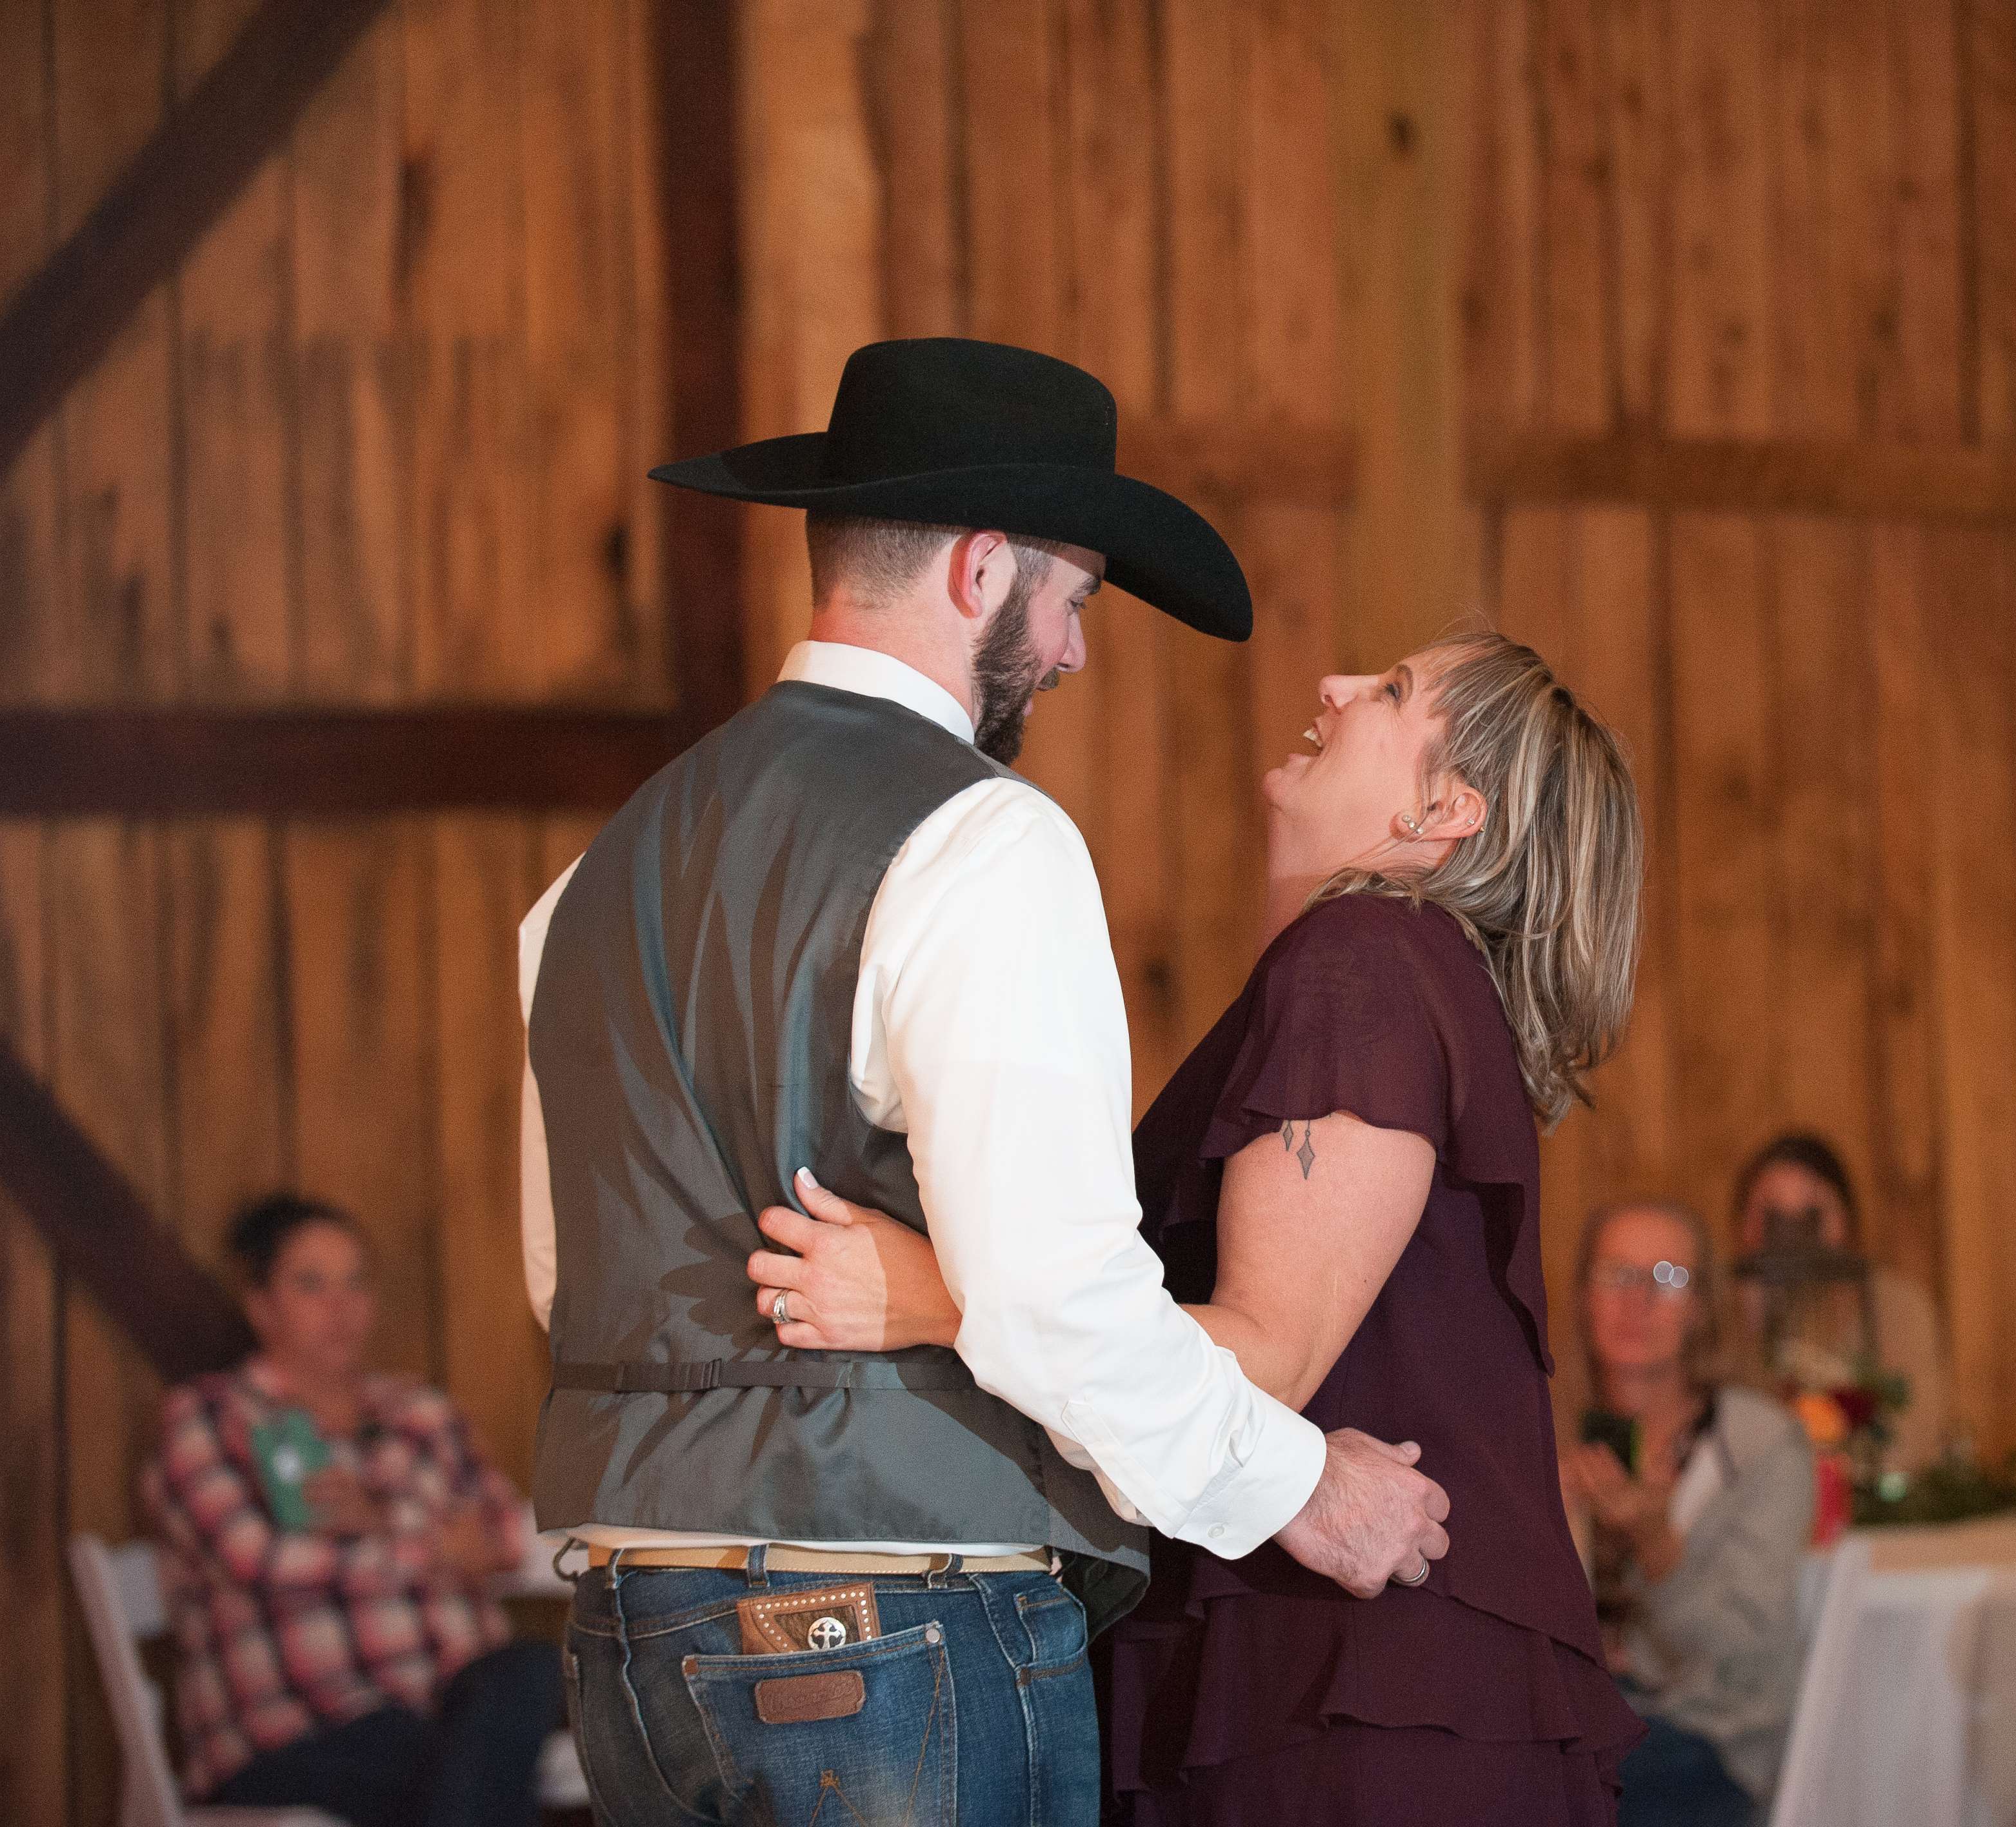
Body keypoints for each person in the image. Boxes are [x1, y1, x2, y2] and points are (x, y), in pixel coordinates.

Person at [521, 339, 1451, 1827]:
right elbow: (1052, 1298)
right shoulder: (981, 839)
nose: (1076, 651)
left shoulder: (594, 872)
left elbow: (571, 1270)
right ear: (977, 571)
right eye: (1074, 595)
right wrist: (1300, 1489)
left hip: (630, 1630)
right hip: (890, 1626)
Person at [759, 630, 1651, 1821]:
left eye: (1389, 692)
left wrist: (931, 1292)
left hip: (1354, 1705)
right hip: (1337, 1682)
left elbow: (1264, 1358)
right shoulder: (1380, 973)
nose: (1331, 685)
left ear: (1446, 809)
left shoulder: (1365, 968)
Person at [144, 1195, 560, 1827]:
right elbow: (258, 1559)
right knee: (468, 1757)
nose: (342, 1308)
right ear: (261, 1305)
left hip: (457, 1708)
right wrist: (430, 1544)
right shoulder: (210, 1418)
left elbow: (507, 1537)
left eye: (355, 1281)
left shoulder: (421, 1414)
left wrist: (380, 1523)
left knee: (528, 1670)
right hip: (299, 1730)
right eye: (311, 1284)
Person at [1563, 1199, 1814, 1827]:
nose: (1638, 1301)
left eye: (1668, 1279)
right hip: (1575, 1719)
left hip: (1708, 1739)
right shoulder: (1546, 1432)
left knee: (1557, 1792)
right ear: (1580, 1297)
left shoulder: (1761, 1445)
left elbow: (1744, 1655)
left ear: (1701, 1307)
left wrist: (1656, 1547)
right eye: (1617, 1275)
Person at [1730, 1131, 1950, 1474]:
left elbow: (1918, 1428)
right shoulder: (1727, 1307)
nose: (1793, 1236)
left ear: (1845, 1217)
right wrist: (1750, 1310)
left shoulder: (1896, 1306)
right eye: (1774, 1217)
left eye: (1810, 1217)